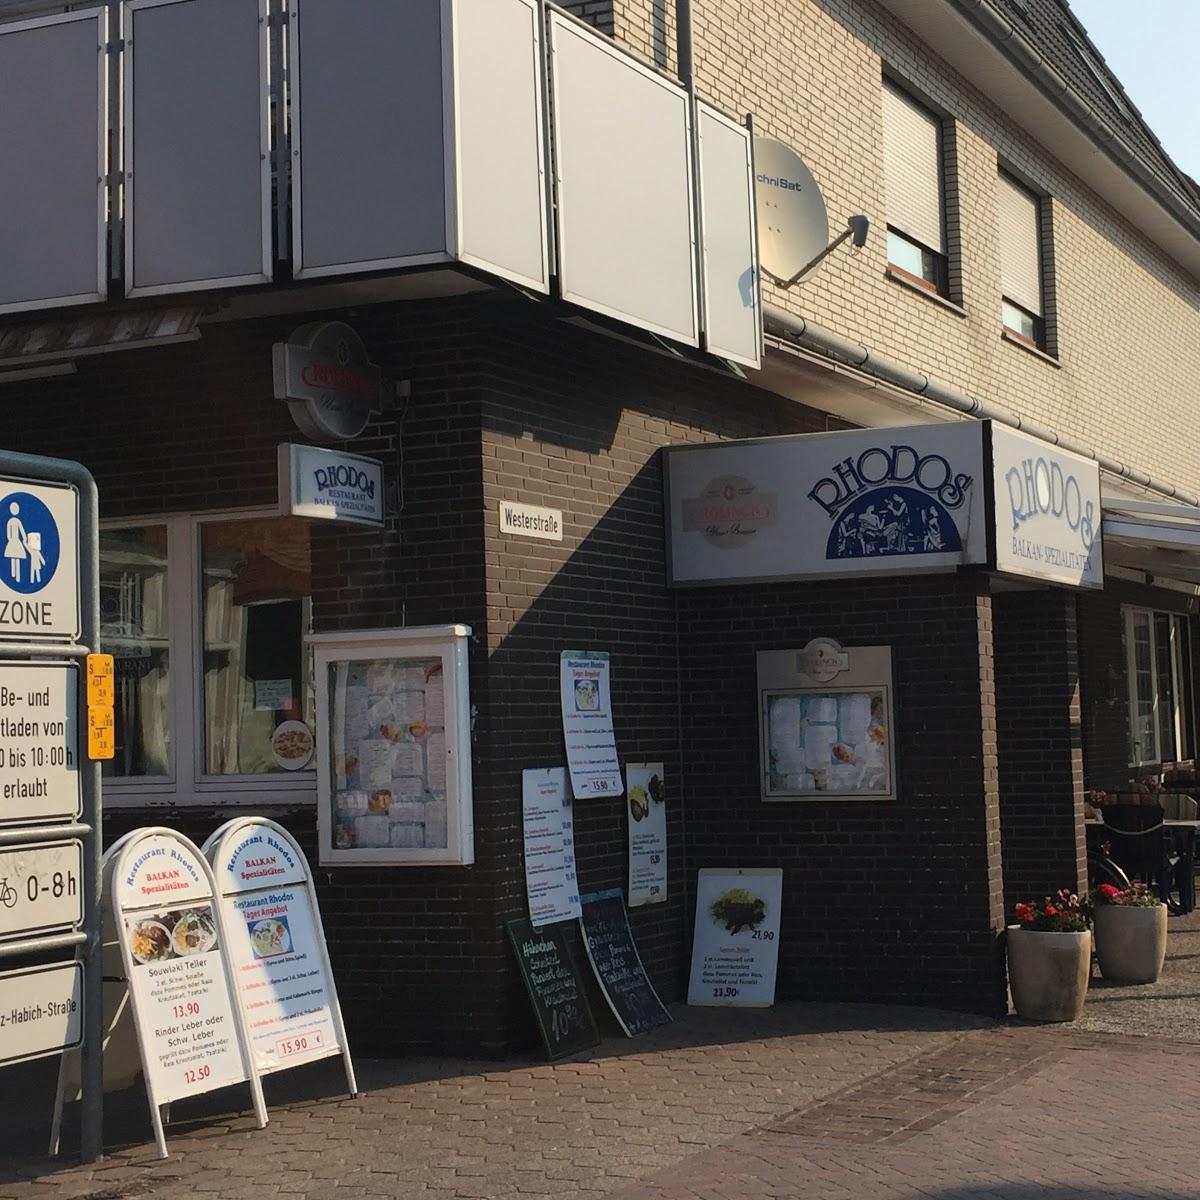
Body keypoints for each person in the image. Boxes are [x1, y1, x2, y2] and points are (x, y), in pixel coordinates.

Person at [4, 501, 26, 584]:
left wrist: (10, 540)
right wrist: (24, 538)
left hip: (12, 541)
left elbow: (8, 534)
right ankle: (16, 576)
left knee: (14, 557)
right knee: (16, 557)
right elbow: (22, 531)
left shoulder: (11, 521)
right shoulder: (16, 521)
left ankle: (14, 574)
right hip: (16, 540)